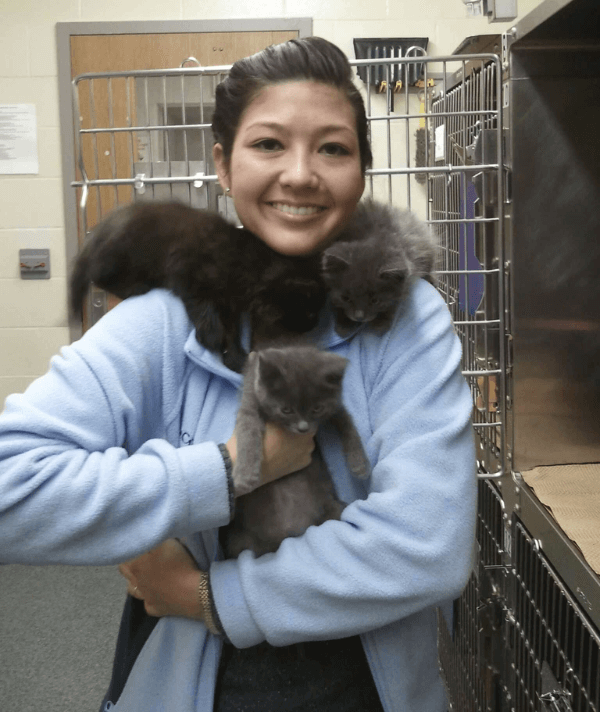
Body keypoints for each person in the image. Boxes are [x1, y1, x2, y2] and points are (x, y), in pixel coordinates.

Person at [0, 37, 477, 712]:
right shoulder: (163, 319)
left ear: (363, 171)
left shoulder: (404, 313)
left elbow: (428, 544)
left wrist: (213, 597)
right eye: (269, 145)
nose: (302, 174)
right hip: (189, 685)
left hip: (365, 688)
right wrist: (222, 472)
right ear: (222, 165)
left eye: (333, 148)